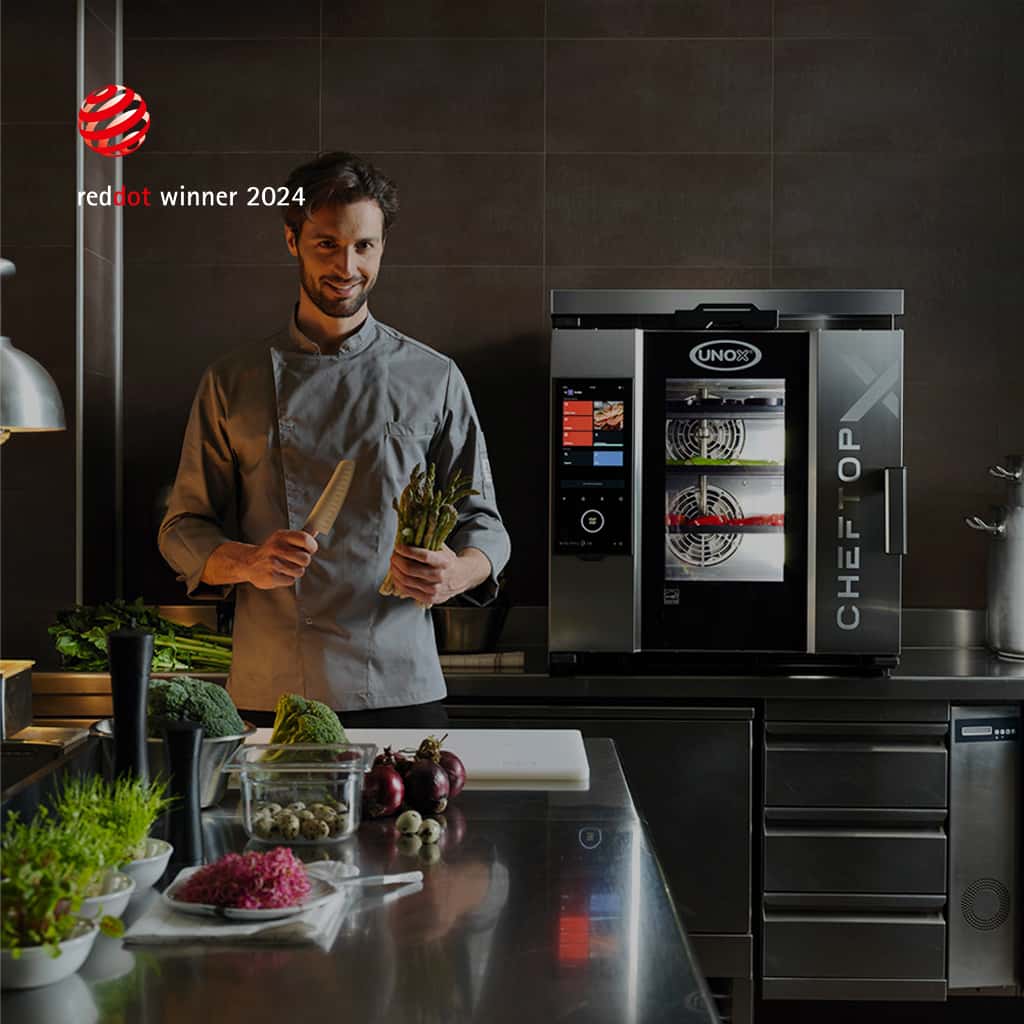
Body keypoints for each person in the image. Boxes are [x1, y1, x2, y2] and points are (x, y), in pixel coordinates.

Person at [158, 152, 510, 727]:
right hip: (271, 686)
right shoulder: (233, 380)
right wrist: (248, 561)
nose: (347, 266)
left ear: (381, 247)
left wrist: (457, 571)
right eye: (327, 244)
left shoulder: (434, 376)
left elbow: (486, 526)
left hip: (401, 682)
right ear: (292, 241)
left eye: (364, 246)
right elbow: (181, 530)